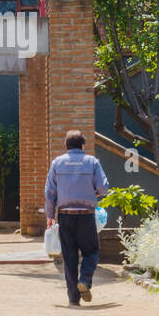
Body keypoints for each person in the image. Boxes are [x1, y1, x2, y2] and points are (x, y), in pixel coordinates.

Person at [44, 130, 110, 306]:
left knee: (70, 257)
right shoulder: (92, 162)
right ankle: (85, 280)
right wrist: (93, 191)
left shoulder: (57, 163)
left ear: (66, 146)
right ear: (82, 145)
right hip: (86, 216)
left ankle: (74, 299)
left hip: (65, 216)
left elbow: (50, 192)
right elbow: (104, 187)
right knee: (91, 252)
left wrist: (50, 216)